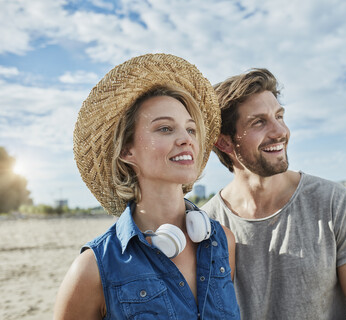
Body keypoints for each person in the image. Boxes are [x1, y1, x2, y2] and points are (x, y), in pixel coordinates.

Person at [54, 53, 240, 319]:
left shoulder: (223, 242)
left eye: (191, 130)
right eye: (165, 129)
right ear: (127, 151)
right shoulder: (92, 269)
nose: (185, 139)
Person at [202, 68, 346, 319]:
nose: (280, 131)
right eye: (259, 122)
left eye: (279, 116)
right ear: (224, 142)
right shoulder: (207, 226)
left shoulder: (332, 202)